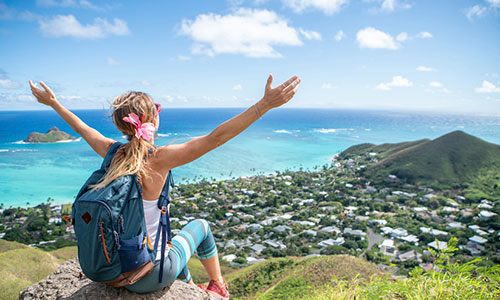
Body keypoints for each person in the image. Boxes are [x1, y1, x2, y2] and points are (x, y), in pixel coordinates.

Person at [29, 74, 301, 299]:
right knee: (202, 227)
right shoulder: (159, 160)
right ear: (153, 119)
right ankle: (218, 287)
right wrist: (263, 105)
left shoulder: (112, 153)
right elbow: (216, 137)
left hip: (109, 274)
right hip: (146, 277)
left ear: (120, 124)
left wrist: (54, 103)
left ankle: (189, 286)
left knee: (168, 246)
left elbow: (83, 128)